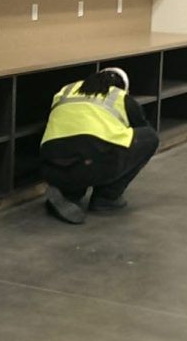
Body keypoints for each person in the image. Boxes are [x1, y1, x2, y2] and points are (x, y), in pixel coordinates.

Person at [39, 67, 159, 224]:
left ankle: (68, 193)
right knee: (149, 138)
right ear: (123, 87)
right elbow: (141, 127)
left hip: (51, 163)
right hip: (93, 162)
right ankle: (107, 197)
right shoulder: (120, 97)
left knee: (78, 149)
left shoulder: (66, 91)